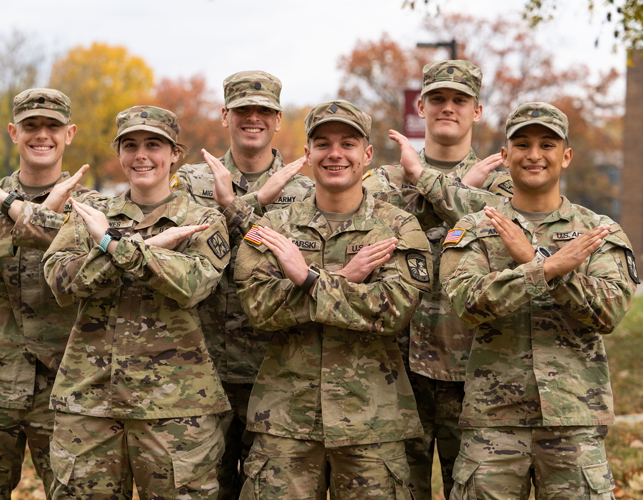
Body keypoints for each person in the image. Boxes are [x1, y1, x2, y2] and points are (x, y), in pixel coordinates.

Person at [234, 100, 433, 499]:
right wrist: (345, 279)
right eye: (322, 144)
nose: (335, 154)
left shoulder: (398, 226)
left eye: (348, 143)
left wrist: (306, 278)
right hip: (285, 422)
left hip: (372, 424)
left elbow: (392, 310)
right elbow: (258, 307)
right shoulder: (273, 226)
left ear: (367, 155)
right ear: (307, 155)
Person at [437, 102, 637, 499]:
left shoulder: (597, 231)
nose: (534, 155)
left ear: (565, 156)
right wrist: (545, 270)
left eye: (547, 144)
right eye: (522, 144)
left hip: (574, 420)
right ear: (505, 155)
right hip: (493, 422)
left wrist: (534, 260)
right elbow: (467, 303)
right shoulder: (475, 229)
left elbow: (609, 310)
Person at [43, 105, 232, 499]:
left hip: (176, 407)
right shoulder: (89, 215)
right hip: (89, 401)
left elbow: (194, 285)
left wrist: (116, 247)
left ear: (175, 153)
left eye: (153, 145)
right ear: (118, 153)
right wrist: (145, 250)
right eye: (130, 145)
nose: (141, 155)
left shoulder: (202, 220)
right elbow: (60, 281)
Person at [0, 88, 101, 499]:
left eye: (52, 126)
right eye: (31, 126)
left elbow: (98, 258)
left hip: (68, 384)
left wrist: (7, 206)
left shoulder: (96, 206)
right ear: (13, 132)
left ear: (70, 133)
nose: (41, 135)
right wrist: (32, 217)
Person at [362, 60, 513, 500]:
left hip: (472, 369)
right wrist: (456, 190)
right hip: (394, 367)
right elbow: (374, 240)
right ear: (422, 108)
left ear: (478, 111)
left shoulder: (505, 183)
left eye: (460, 100)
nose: (449, 107)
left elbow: (503, 242)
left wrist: (438, 184)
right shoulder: (383, 181)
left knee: (472, 490)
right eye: (439, 99)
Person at [173, 70, 314, 498]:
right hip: (204, 368)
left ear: (277, 119)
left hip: (276, 370)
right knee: (202, 488)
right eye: (242, 111)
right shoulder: (192, 183)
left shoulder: (305, 187)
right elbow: (185, 254)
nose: (252, 118)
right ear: (224, 116)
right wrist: (256, 204)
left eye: (263, 111)